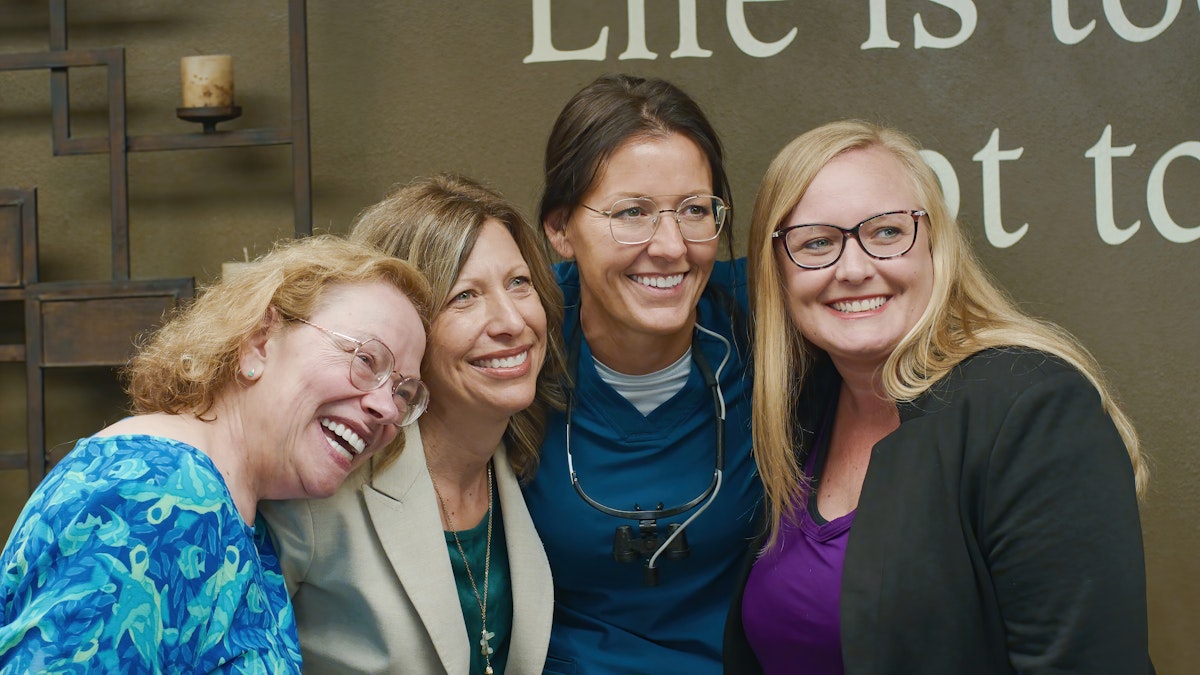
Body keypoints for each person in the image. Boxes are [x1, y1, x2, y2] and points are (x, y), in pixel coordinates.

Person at [724, 120, 1153, 674]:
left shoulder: (1034, 411)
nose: (853, 268)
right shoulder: (801, 413)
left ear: (935, 244)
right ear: (776, 273)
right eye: (817, 243)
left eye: (885, 232)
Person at [0, 235, 433, 673]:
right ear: (259, 342)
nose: (385, 407)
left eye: (403, 393)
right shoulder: (157, 495)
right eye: (365, 358)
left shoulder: (231, 509)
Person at [260, 174, 566, 675]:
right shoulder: (318, 494)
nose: (511, 321)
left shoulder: (529, 470)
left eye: (519, 283)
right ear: (401, 328)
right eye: (465, 296)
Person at [521, 74, 762, 674]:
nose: (672, 246)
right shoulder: (517, 339)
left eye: (694, 210)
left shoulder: (769, 326)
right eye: (632, 212)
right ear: (559, 230)